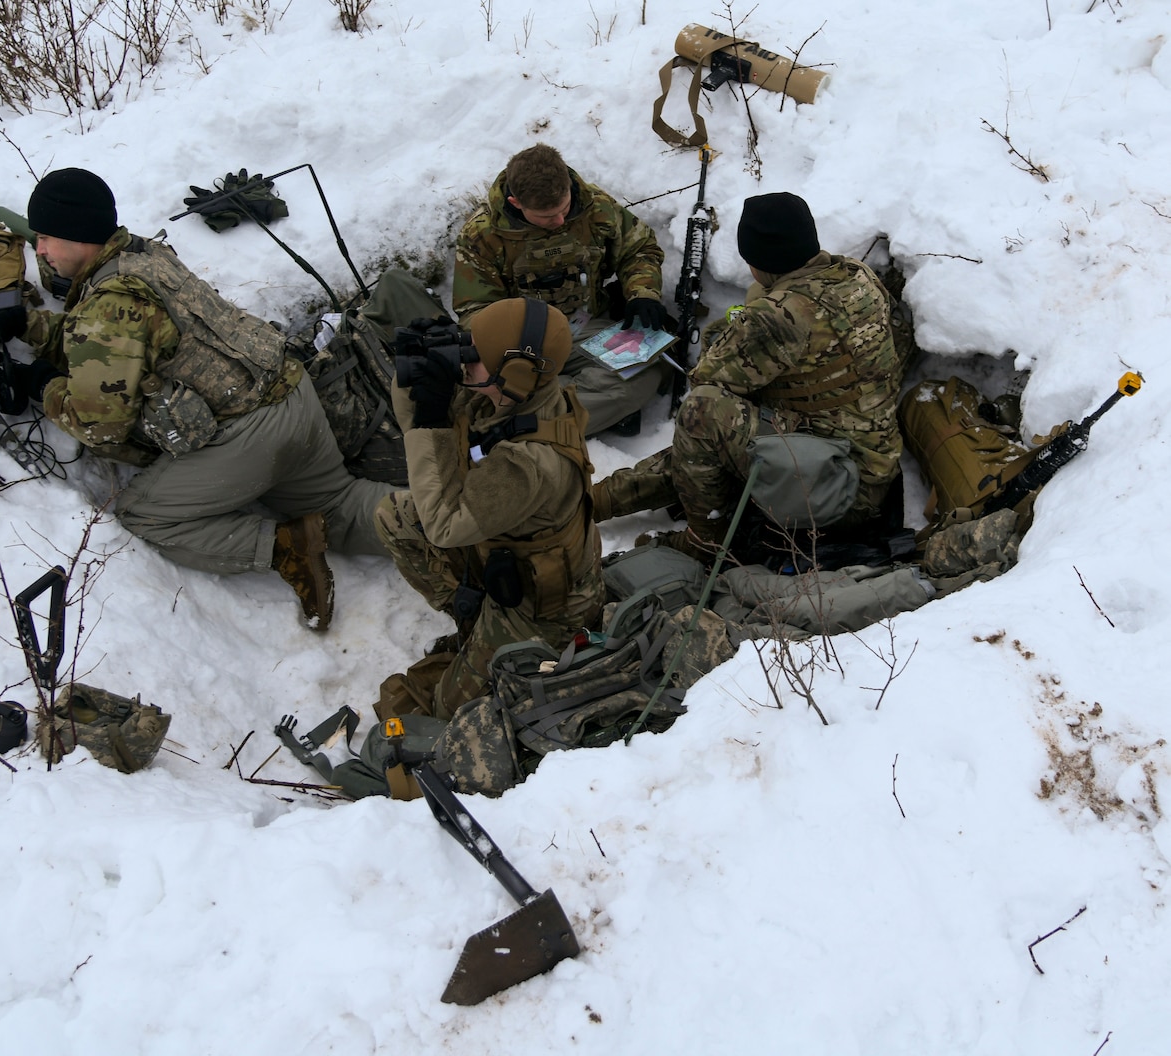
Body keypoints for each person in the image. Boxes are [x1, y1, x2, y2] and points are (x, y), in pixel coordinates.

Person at [21, 167, 397, 631]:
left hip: (252, 437)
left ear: (78, 235)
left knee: (144, 516)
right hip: (293, 394)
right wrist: (29, 327)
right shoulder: (143, 255)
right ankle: (459, 522)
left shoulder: (111, 300)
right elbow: (106, 341)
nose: (39, 250)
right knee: (338, 505)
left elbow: (100, 423)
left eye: (45, 237)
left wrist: (42, 386)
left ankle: (286, 546)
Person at [592, 192, 905, 557]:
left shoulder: (776, 316)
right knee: (725, 430)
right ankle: (594, 502)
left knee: (704, 415)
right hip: (867, 466)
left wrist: (726, 329)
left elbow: (706, 381)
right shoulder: (856, 275)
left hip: (835, 490)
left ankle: (708, 541)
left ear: (756, 260)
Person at [375, 298, 604, 719]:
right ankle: (474, 621)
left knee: (448, 711)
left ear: (514, 374)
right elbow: (428, 428)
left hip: (543, 607)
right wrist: (417, 375)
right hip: (502, 551)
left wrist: (431, 420)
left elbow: (443, 525)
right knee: (397, 516)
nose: (466, 364)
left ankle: (495, 636)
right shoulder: (511, 396)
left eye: (474, 357)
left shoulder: (529, 463)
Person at [453, 143, 669, 436]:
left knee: (648, 367)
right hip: (520, 347)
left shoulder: (596, 207)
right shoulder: (483, 235)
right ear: (516, 203)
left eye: (564, 209)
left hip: (583, 328)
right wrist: (510, 353)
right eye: (546, 217)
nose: (560, 221)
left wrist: (643, 293)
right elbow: (473, 310)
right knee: (485, 383)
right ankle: (558, 418)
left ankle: (528, 420)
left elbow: (639, 248)